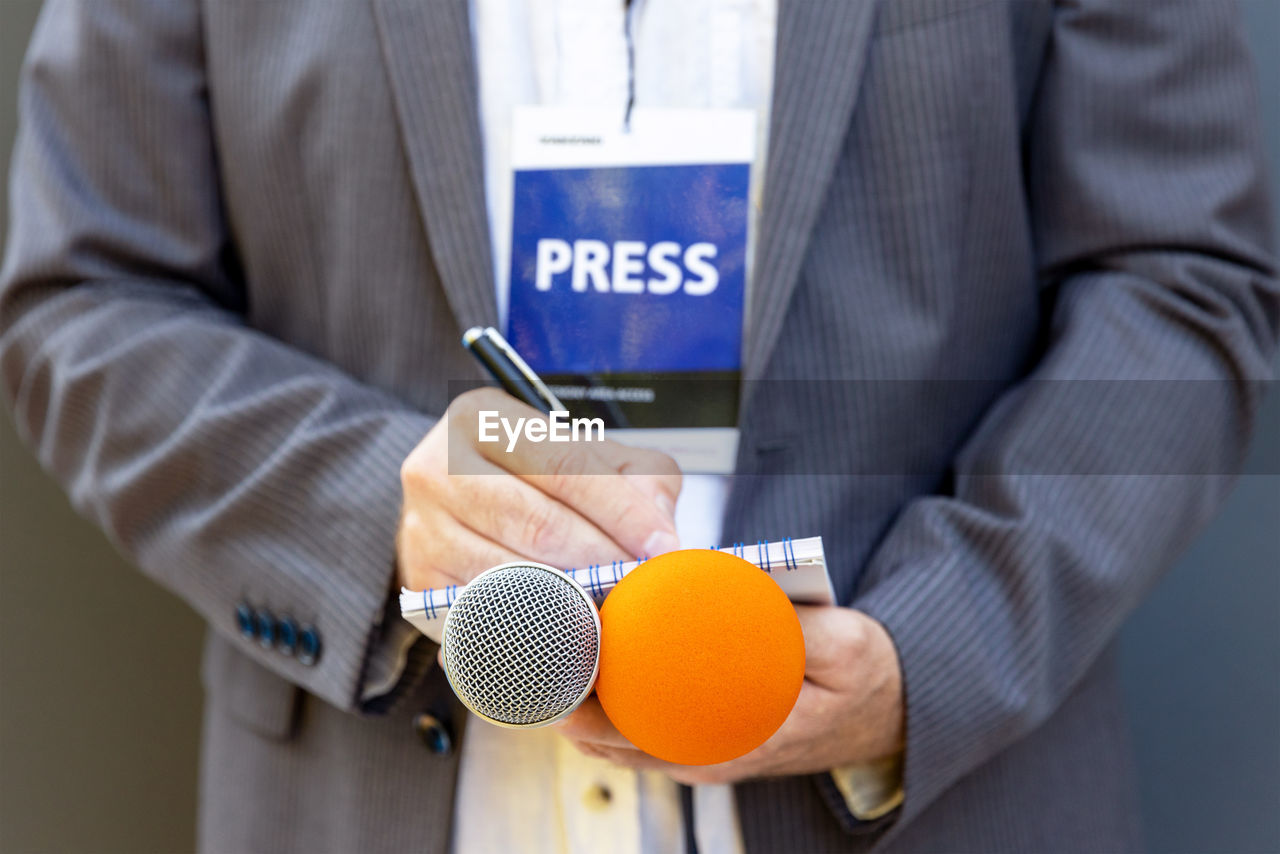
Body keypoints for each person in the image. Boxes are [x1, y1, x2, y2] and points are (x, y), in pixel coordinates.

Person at [1, 1, 1275, 853]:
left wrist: (933, 649)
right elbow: (84, 299)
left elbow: (1182, 279)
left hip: (936, 804)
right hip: (366, 796)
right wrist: (376, 505)